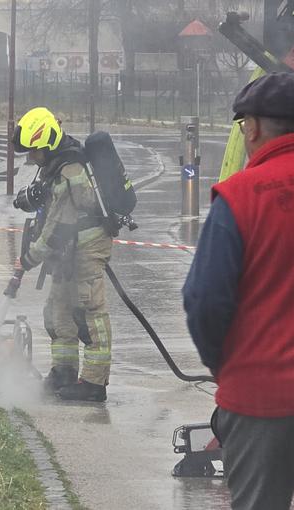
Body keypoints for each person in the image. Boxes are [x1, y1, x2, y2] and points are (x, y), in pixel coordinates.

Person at [183, 72, 294, 510]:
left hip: (258, 395)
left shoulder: (240, 196)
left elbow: (204, 299)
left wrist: (221, 365)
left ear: (254, 128)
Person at [8, 107, 113, 402]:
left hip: (87, 248)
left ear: (47, 144)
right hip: (69, 250)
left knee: (89, 314)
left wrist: (27, 259)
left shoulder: (70, 172)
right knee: (57, 313)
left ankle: (94, 384)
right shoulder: (55, 164)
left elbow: (55, 229)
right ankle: (64, 372)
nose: (30, 158)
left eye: (34, 152)